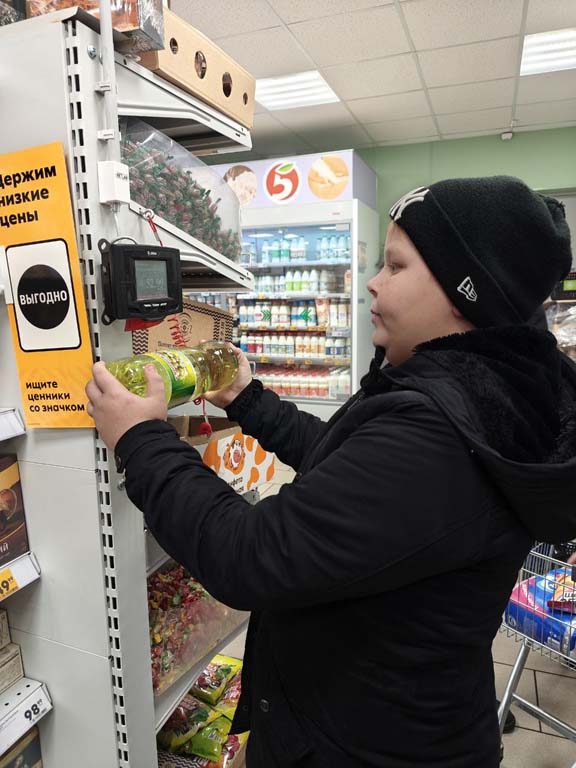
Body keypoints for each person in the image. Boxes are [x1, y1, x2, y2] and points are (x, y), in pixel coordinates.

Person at [86, 176, 576, 768]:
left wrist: (141, 439)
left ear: (463, 292)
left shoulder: (440, 434)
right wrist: (248, 400)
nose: (373, 281)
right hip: (391, 720)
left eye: (396, 265)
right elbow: (348, 470)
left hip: (364, 747)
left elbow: (250, 556)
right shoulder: (477, 395)